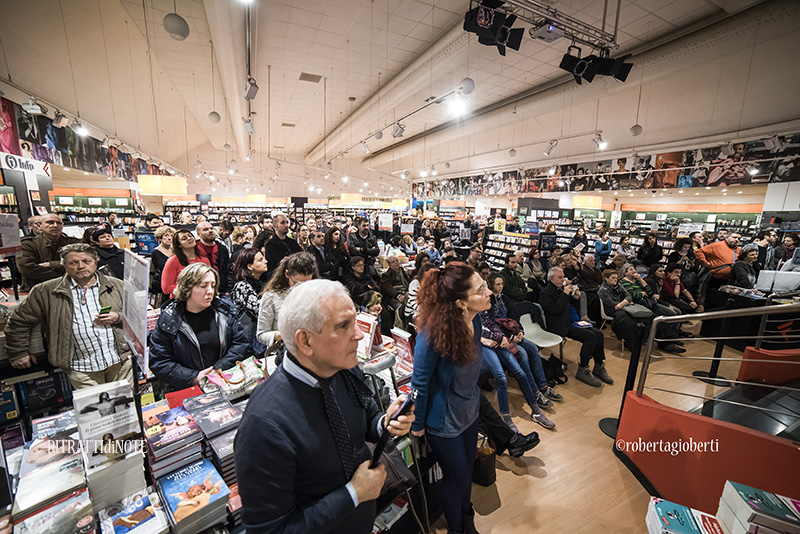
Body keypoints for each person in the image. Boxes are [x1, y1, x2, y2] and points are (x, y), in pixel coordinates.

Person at [235, 279, 414, 534]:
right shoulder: (264, 423)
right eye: (343, 326)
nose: (359, 334)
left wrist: (385, 422)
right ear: (305, 341)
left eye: (355, 321)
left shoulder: (345, 367)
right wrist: (352, 494)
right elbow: (269, 531)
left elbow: (367, 418)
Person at [410, 263, 488, 534]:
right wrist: (418, 423)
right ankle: (457, 529)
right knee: (457, 479)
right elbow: (419, 382)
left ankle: (467, 520)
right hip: (443, 421)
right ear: (461, 302)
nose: (489, 292)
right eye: (481, 289)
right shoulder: (432, 334)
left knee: (466, 475)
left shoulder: (475, 320)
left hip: (469, 411)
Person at [6, 243, 133, 389]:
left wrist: (118, 317)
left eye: (86, 261)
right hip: (80, 366)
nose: (81, 266)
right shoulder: (45, 291)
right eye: (73, 263)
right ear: (64, 266)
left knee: (125, 406)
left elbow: (137, 316)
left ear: (95, 262)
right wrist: (18, 352)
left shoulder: (117, 285)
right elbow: (19, 321)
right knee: (95, 409)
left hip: (120, 361)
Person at [149, 263, 250, 391]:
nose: (210, 291)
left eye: (213, 286)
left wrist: (217, 370)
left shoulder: (225, 312)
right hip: (186, 389)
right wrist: (195, 377)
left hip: (225, 383)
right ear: (187, 288)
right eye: (203, 286)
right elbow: (160, 362)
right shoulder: (169, 319)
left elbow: (241, 344)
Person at [480, 273, 559, 429]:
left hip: (500, 340)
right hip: (487, 345)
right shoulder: (472, 306)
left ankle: (536, 406)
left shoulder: (490, 302)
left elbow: (493, 323)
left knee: (522, 367)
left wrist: (505, 335)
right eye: (486, 287)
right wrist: (498, 337)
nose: (492, 290)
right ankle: (507, 418)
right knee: (502, 377)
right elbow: (477, 328)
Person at [539, 267, 613, 387]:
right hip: (559, 326)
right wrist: (565, 294)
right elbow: (555, 310)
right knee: (590, 337)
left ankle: (599, 365)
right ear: (551, 278)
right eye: (560, 277)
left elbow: (573, 309)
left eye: (563, 277)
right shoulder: (545, 293)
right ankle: (583, 369)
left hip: (571, 322)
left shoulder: (561, 289)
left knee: (598, 334)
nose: (563, 280)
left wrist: (575, 298)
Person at [256, 252, 318, 349]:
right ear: (287, 274)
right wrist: (281, 335)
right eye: (296, 284)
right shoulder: (271, 297)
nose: (300, 289)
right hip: (282, 353)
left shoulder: (317, 294)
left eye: (306, 284)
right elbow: (261, 334)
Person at [18, 213, 80, 290]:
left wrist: (52, 264)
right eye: (50, 222)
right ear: (39, 225)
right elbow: (27, 270)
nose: (55, 225)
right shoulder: (28, 244)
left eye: (59, 223)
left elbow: (82, 265)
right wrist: (68, 272)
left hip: (70, 288)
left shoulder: (73, 243)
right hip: (38, 289)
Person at [597, 269, 651, 351]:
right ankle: (630, 342)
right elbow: (613, 304)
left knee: (644, 317)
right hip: (611, 310)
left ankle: (639, 340)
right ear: (606, 278)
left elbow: (629, 296)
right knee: (629, 320)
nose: (616, 279)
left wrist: (624, 302)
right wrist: (625, 302)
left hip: (622, 307)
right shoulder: (603, 290)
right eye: (613, 278)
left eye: (616, 277)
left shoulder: (618, 285)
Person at [231, 248, 269, 352]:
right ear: (249, 266)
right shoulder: (242, 286)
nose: (266, 261)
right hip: (247, 344)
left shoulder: (260, 284)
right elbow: (260, 310)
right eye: (260, 260)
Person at [161, 229, 210, 297]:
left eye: (190, 236)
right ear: (179, 245)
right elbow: (166, 288)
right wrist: (191, 287)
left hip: (202, 298)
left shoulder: (204, 260)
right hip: (180, 300)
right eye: (184, 238)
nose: (189, 238)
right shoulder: (172, 261)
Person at [195, 221, 233, 294]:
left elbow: (229, 270)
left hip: (221, 290)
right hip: (201, 291)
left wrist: (228, 290)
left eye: (211, 228)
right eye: (205, 229)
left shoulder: (222, 249)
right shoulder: (194, 249)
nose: (210, 231)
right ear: (198, 234)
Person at [264, 213, 303, 280]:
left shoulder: (293, 243)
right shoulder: (270, 245)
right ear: (275, 226)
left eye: (287, 222)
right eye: (282, 223)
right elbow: (275, 265)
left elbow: (302, 255)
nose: (286, 225)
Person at [150, 226, 175, 301]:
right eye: (166, 235)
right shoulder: (156, 252)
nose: (169, 238)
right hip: (162, 283)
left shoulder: (174, 250)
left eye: (171, 236)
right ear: (160, 238)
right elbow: (163, 267)